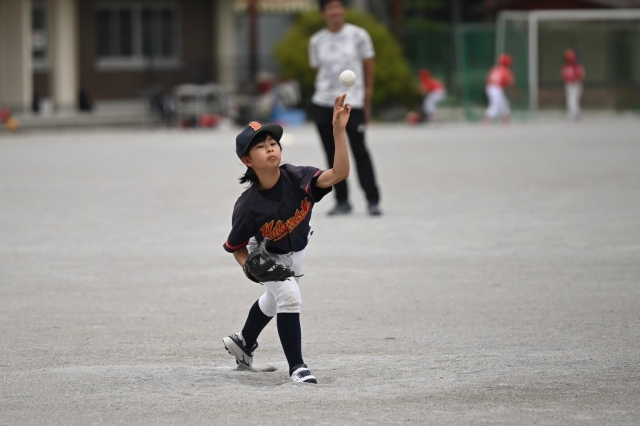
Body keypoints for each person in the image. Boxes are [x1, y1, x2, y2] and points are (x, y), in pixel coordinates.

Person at [222, 94, 352, 384]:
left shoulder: (299, 178)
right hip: (266, 253)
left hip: (298, 250)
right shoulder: (248, 206)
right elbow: (235, 246)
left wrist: (338, 131)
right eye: (260, 146)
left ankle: (244, 342)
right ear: (247, 160)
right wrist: (250, 268)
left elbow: (340, 173)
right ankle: (297, 367)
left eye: (273, 143)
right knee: (289, 297)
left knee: (274, 300)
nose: (270, 148)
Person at [309, 0, 382, 216]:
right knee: (332, 153)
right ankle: (342, 201)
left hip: (353, 101)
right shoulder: (316, 40)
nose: (335, 11)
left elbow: (369, 67)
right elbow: (318, 70)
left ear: (344, 10)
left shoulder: (359, 35)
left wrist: (367, 100)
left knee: (360, 150)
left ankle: (372, 199)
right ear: (323, 14)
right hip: (324, 102)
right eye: (330, 8)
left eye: (338, 7)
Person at [484, 53, 515, 124]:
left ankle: (506, 120)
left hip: (490, 87)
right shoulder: (506, 71)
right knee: (496, 105)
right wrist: (514, 91)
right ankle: (487, 119)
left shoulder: (494, 69)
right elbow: (511, 83)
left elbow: (487, 79)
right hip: (496, 89)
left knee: (504, 103)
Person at [561, 48, 585, 121]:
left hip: (575, 85)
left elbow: (581, 76)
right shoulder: (566, 66)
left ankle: (575, 114)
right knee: (571, 100)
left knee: (573, 100)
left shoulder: (576, 66)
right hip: (569, 84)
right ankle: (573, 113)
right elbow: (563, 75)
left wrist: (575, 83)